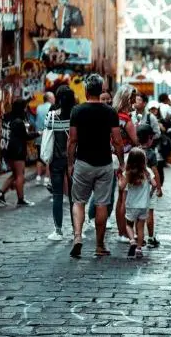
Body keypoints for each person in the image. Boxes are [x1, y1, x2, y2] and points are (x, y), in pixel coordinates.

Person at [67, 74, 124, 258]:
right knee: (102, 204)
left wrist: (70, 163)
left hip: (83, 162)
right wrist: (121, 163)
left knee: (78, 202)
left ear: (85, 91)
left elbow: (72, 140)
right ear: (101, 91)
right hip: (104, 163)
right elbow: (117, 141)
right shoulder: (110, 112)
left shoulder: (77, 111)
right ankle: (99, 245)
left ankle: (77, 237)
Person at [103, 85, 138, 244]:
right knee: (124, 197)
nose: (134, 102)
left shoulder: (112, 115)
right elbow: (136, 141)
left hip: (111, 157)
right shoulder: (126, 119)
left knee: (118, 197)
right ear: (127, 99)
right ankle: (124, 232)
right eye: (132, 99)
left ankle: (121, 231)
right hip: (124, 159)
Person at [0, 99, 37, 206]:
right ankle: (21, 199)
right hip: (17, 152)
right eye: (25, 107)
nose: (26, 109)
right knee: (20, 175)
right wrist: (38, 133)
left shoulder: (7, 117)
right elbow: (25, 136)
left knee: (15, 174)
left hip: (7, 150)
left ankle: (0, 193)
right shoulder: (18, 122)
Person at [46, 86, 75, 241]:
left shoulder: (51, 116)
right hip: (74, 160)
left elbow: (47, 133)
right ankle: (76, 230)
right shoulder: (77, 115)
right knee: (74, 197)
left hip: (56, 160)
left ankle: (58, 231)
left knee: (57, 195)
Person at [120, 147, 155, 259]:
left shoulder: (128, 173)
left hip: (131, 205)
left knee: (128, 225)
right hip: (144, 205)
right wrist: (150, 193)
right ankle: (139, 248)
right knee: (140, 227)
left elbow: (121, 187)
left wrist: (121, 178)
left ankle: (132, 241)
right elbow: (154, 184)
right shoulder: (148, 172)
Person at [136, 124, 161, 248]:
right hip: (149, 189)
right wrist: (159, 187)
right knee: (150, 212)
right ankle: (151, 237)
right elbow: (155, 172)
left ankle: (138, 236)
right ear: (150, 138)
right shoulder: (151, 153)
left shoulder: (135, 152)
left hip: (136, 188)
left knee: (137, 213)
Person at [34, 92, 55, 188]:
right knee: (49, 158)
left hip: (39, 136)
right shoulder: (53, 108)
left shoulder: (38, 108)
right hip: (48, 136)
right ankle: (47, 179)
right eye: (53, 97)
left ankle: (38, 178)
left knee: (39, 157)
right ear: (50, 99)